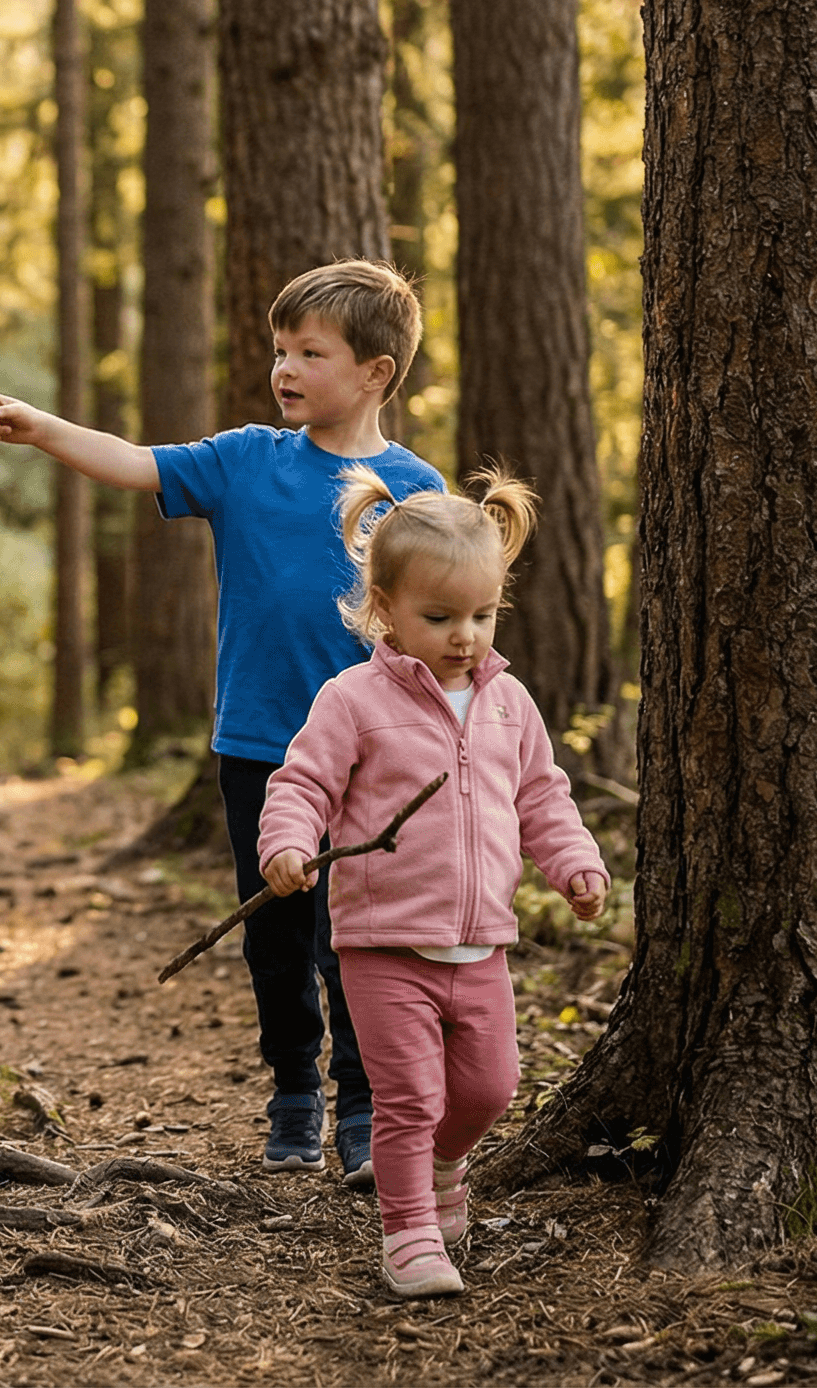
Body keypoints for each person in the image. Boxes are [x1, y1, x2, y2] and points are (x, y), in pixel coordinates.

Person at [0, 259, 443, 1183]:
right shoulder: (246, 460)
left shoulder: (415, 488)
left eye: (311, 352)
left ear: (377, 373)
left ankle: (365, 1105)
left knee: (360, 937)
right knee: (277, 931)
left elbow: (438, 612)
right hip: (260, 746)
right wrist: (41, 430)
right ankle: (294, 1093)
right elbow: (136, 462)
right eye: (279, 350)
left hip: (372, 751)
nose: (285, 368)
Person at [259, 469, 608, 1297]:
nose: (465, 636)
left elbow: (541, 796)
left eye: (481, 616)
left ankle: (447, 1168)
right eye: (440, 617)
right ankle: (408, 1234)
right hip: (383, 943)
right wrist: (287, 843)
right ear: (385, 609)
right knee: (407, 1097)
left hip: (481, 942)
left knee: (493, 1088)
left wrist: (576, 864)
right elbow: (303, 783)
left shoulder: (509, 705)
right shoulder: (353, 699)